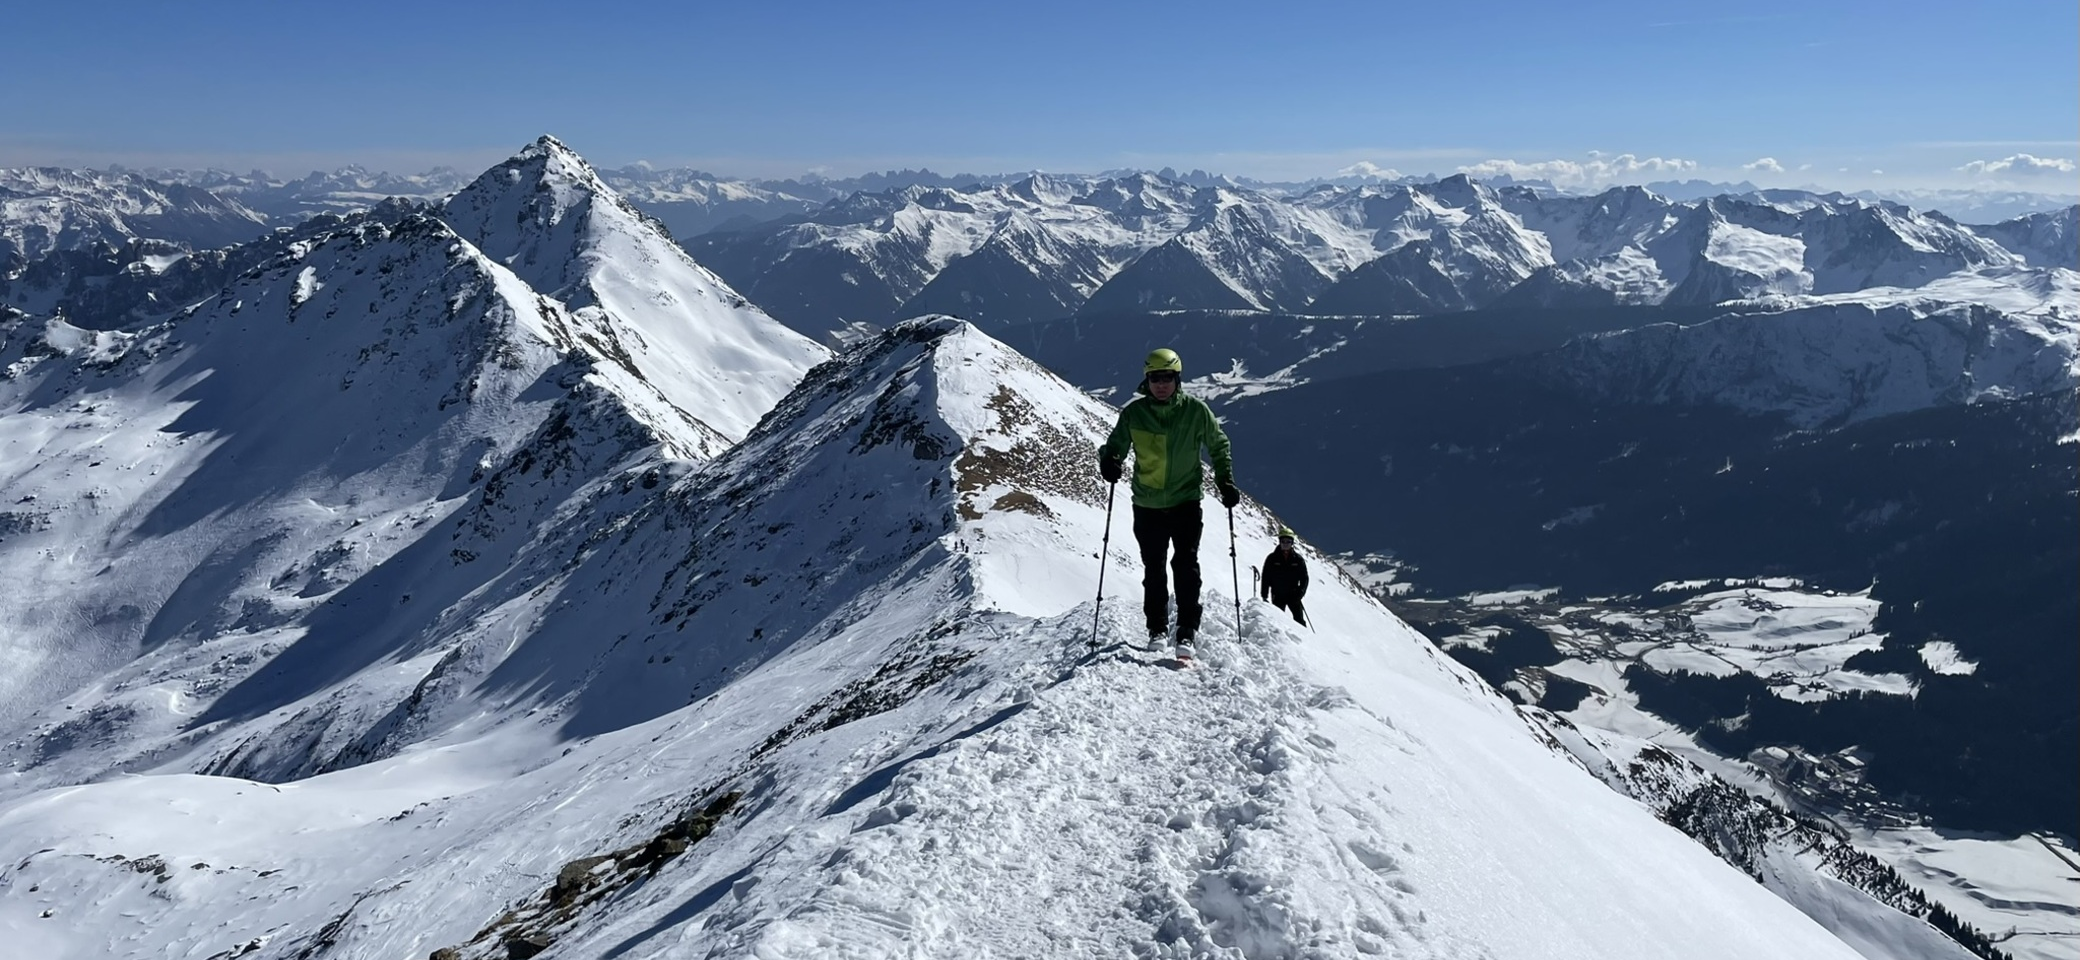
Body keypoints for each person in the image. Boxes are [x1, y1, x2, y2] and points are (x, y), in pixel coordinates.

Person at [1099, 348, 1239, 654]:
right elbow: (1115, 446)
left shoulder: (1196, 411)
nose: (1161, 384)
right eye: (1154, 378)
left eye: (1167, 378)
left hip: (1186, 501)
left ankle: (1186, 631)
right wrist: (1109, 461)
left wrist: (1224, 480)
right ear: (1146, 380)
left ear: (1178, 379)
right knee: (1154, 569)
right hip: (1147, 504)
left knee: (1186, 566)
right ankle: (1157, 630)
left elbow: (1218, 444)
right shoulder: (1134, 414)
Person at [1260, 527, 1308, 626]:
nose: (1285, 544)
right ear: (1280, 542)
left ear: (1292, 543)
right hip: (1277, 594)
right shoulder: (1272, 558)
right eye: (1283, 541)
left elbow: (1304, 578)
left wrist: (1300, 592)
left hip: (1294, 594)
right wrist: (1264, 594)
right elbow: (1266, 577)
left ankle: (1304, 639)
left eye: (1288, 541)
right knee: (1278, 620)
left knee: (1299, 620)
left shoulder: (1298, 560)